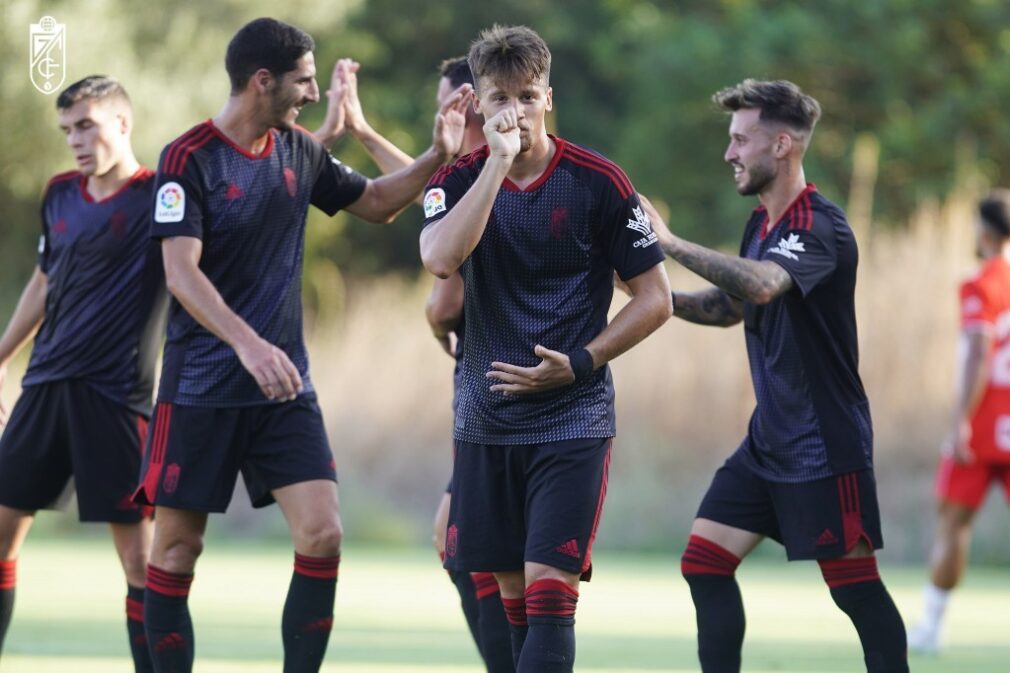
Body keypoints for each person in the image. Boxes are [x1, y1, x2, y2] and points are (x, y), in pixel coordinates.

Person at [131, 18, 468, 673]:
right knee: (174, 552)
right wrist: (249, 345)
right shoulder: (186, 157)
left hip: (285, 387)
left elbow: (375, 203)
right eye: (304, 80)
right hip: (201, 386)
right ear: (263, 81)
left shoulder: (298, 151)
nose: (314, 93)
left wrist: (436, 156)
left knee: (323, 533)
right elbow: (181, 271)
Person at [419, 25, 672, 673]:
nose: (517, 112)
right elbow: (441, 260)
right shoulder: (456, 181)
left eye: (529, 96)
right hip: (486, 422)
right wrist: (498, 163)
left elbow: (655, 298)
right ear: (479, 104)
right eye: (502, 97)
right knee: (513, 606)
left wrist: (581, 362)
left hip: (573, 420)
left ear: (549, 98)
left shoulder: (600, 182)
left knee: (550, 596)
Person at [652, 78, 907, 673]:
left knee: (856, 591)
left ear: (784, 145)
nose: (729, 153)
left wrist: (666, 242)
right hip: (769, 441)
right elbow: (731, 306)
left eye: (742, 140)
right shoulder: (759, 226)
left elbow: (764, 284)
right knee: (704, 562)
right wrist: (651, 294)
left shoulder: (821, 224)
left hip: (824, 445)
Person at [317, 52, 513, 673]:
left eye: (445, 101)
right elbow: (426, 191)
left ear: (470, 104)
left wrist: (437, 318)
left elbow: (444, 289)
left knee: (469, 545)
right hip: (491, 385)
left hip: (498, 389)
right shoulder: (492, 175)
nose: (439, 113)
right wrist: (365, 131)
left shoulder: (494, 179)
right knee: (467, 543)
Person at [0, 76, 167, 672]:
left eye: (86, 125)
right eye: (67, 129)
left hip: (116, 401)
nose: (75, 139)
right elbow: (43, 282)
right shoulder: (59, 193)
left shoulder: (161, 196)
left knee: (140, 564)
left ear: (122, 123)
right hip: (44, 386)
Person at [907, 190, 1010, 655]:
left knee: (953, 524)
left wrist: (960, 421)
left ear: (984, 231)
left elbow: (979, 351)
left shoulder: (981, 283)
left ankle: (930, 628)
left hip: (986, 421)